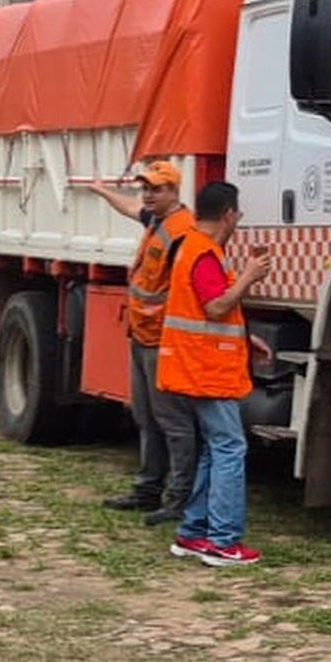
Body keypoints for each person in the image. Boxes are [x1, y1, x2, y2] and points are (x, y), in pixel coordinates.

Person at [159, 181, 271, 568]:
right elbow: (217, 306)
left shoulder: (192, 247)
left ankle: (193, 533)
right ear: (228, 214)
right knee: (229, 448)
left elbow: (207, 313)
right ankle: (223, 541)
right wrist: (250, 276)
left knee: (214, 449)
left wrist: (245, 338)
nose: (238, 220)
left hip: (196, 365)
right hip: (206, 370)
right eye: (237, 214)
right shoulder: (204, 253)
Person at [89, 160, 199, 526]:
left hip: (163, 340)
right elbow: (130, 207)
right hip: (142, 335)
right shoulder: (157, 221)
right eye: (145, 188)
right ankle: (148, 489)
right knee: (147, 417)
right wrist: (104, 191)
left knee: (172, 421)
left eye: (156, 189)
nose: (148, 195)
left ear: (174, 191)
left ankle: (178, 499)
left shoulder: (183, 231)